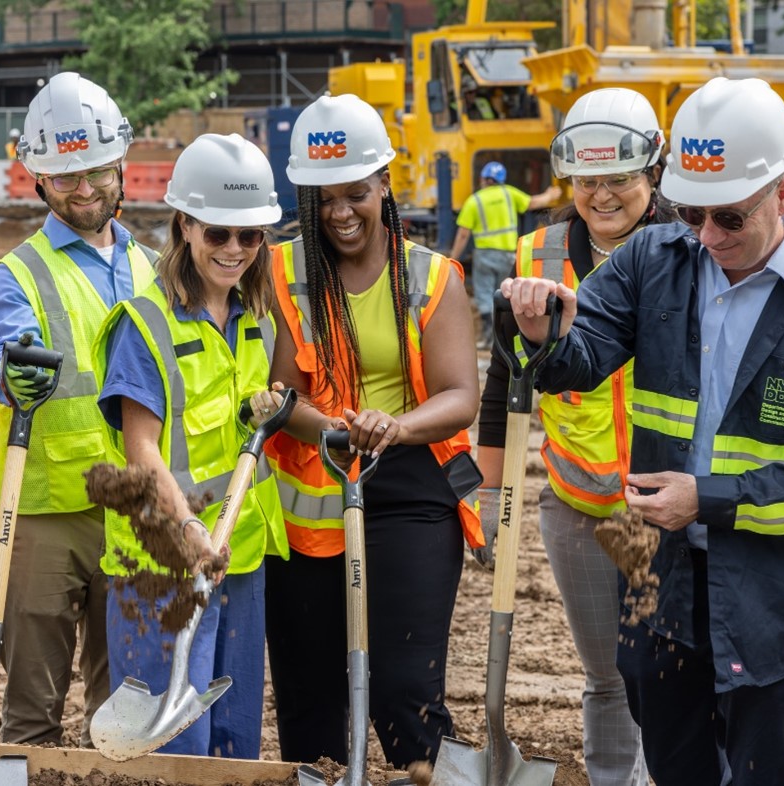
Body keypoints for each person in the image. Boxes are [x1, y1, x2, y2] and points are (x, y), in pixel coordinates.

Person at [501, 76, 784, 785]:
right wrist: (542, 334)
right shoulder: (655, 259)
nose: (706, 236)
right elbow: (579, 361)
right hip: (660, 585)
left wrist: (704, 499)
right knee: (674, 764)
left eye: (729, 219)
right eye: (691, 212)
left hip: (771, 597)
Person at [263, 93, 481, 768]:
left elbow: (460, 397)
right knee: (310, 695)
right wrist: (331, 428)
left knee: (403, 687)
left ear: (384, 184)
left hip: (411, 487)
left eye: (355, 193)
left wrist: (394, 424)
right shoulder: (279, 270)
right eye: (323, 199)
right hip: (311, 485)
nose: (340, 213)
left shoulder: (432, 275)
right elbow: (275, 393)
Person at [476, 87, 668, 786]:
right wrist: (487, 494)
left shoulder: (688, 250)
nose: (602, 195)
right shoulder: (538, 254)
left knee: (668, 670)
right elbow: (503, 390)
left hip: (668, 506)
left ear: (653, 170)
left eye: (618, 178)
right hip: (576, 501)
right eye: (587, 180)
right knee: (608, 675)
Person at [0, 71, 158, 748]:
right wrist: (16, 365)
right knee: (32, 708)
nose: (83, 188)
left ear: (121, 166)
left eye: (95, 171)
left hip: (137, 508)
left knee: (125, 707)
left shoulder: (156, 267)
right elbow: (7, 355)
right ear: (38, 181)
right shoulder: (18, 273)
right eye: (64, 176)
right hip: (49, 510)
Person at [93, 133, 287, 758]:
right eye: (217, 233)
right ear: (184, 226)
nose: (234, 250)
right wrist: (187, 531)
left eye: (250, 236)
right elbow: (142, 448)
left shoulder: (256, 316)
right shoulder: (144, 323)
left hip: (239, 558)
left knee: (234, 742)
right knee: (175, 750)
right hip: (164, 569)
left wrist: (260, 408)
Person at [449, 161, 560, 348]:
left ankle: (488, 337)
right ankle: (506, 338)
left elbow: (463, 234)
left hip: (484, 255)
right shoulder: (509, 193)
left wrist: (453, 257)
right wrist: (550, 194)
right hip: (508, 255)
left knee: (485, 295)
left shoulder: (474, 200)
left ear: (483, 179)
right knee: (507, 294)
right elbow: (534, 203)